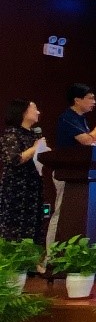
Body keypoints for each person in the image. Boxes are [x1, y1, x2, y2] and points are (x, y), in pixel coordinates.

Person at [48, 83, 96, 243]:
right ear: (77, 100)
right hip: (66, 172)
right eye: (90, 98)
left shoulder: (81, 119)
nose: (94, 102)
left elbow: (89, 143)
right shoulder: (67, 117)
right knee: (61, 211)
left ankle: (73, 248)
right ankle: (51, 252)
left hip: (79, 172)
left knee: (76, 214)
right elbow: (87, 140)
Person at [0, 99, 48, 241]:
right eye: (34, 109)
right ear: (23, 112)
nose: (38, 112)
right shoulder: (11, 134)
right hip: (17, 188)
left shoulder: (33, 134)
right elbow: (13, 159)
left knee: (35, 226)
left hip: (33, 186)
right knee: (15, 229)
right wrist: (35, 148)